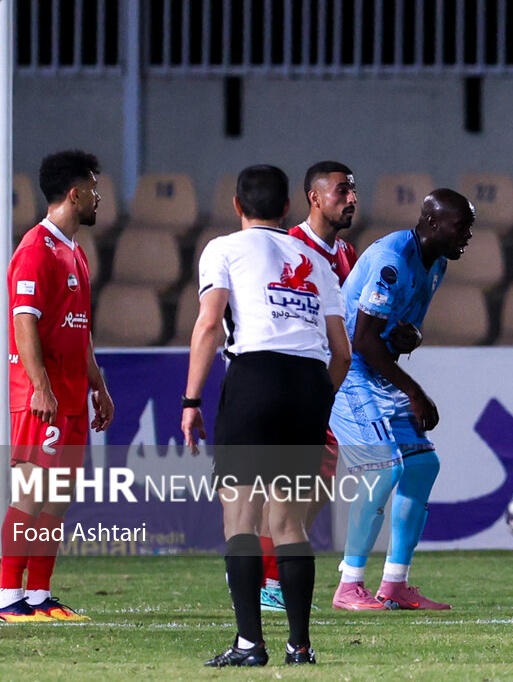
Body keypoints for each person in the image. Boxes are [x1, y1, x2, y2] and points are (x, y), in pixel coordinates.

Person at [181, 164, 351, 666]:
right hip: (308, 382)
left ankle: (250, 644)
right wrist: (319, 398)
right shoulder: (316, 260)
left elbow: (210, 324)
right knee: (290, 523)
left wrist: (191, 401)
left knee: (240, 518)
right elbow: (340, 352)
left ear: (238, 207)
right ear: (287, 209)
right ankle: (300, 646)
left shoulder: (223, 249)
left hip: (255, 377)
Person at [327, 189, 474, 612]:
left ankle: (394, 585)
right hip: (348, 370)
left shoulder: (437, 262)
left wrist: (415, 338)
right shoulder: (393, 260)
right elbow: (363, 341)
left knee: (423, 464)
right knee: (383, 467)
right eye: (460, 227)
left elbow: (397, 333)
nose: (467, 235)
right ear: (430, 223)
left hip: (375, 368)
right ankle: (348, 586)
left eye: (470, 228)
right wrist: (414, 391)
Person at [0, 150, 115, 623]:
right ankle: (8, 597)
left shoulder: (75, 253)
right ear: (74, 193)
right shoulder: (34, 250)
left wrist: (98, 387)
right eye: (93, 188)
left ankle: (39, 596)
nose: (99, 197)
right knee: (29, 491)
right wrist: (41, 387)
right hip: (39, 398)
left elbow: (78, 328)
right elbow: (24, 324)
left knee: (57, 495)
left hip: (69, 397)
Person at [256, 161, 360, 612]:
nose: (352, 199)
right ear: (314, 198)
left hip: (328, 385)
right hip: (290, 380)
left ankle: (262, 572)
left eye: (353, 192)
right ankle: (266, 578)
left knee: (317, 487)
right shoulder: (287, 247)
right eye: (341, 192)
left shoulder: (347, 254)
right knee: (289, 486)